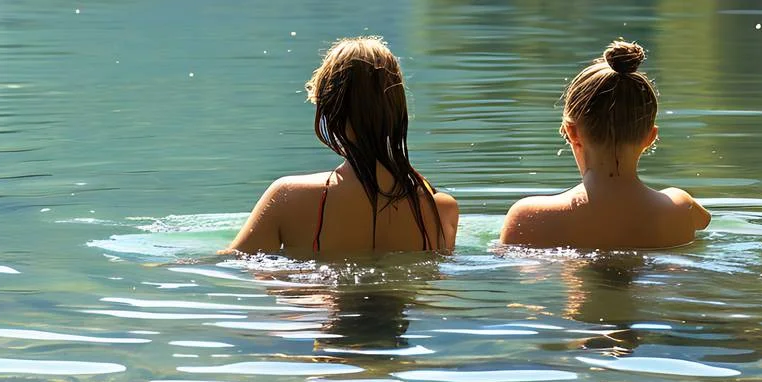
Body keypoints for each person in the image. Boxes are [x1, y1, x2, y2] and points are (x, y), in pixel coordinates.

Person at [228, 36, 459, 257]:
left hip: (323, 294)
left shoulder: (288, 197)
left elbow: (233, 264)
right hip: (405, 298)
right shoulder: (441, 210)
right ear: (397, 109)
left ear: (329, 108)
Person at [500, 40, 710, 250]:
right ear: (651, 136)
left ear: (571, 132)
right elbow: (705, 221)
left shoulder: (529, 217)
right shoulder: (681, 207)